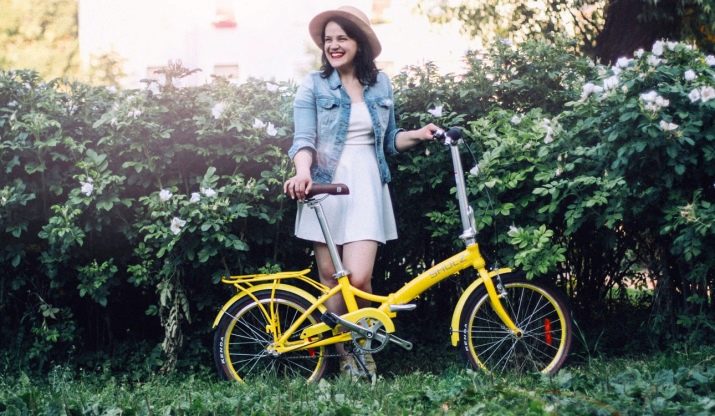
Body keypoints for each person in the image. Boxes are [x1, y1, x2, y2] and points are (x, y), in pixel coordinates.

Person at [283, 5, 439, 382]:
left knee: (358, 279)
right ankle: (347, 360)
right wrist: (302, 173)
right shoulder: (313, 85)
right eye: (328, 40)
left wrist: (418, 135)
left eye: (342, 38)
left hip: (367, 184)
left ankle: (362, 353)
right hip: (326, 185)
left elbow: (388, 141)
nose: (334, 45)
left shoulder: (380, 84)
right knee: (331, 280)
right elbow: (303, 140)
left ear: (359, 42)